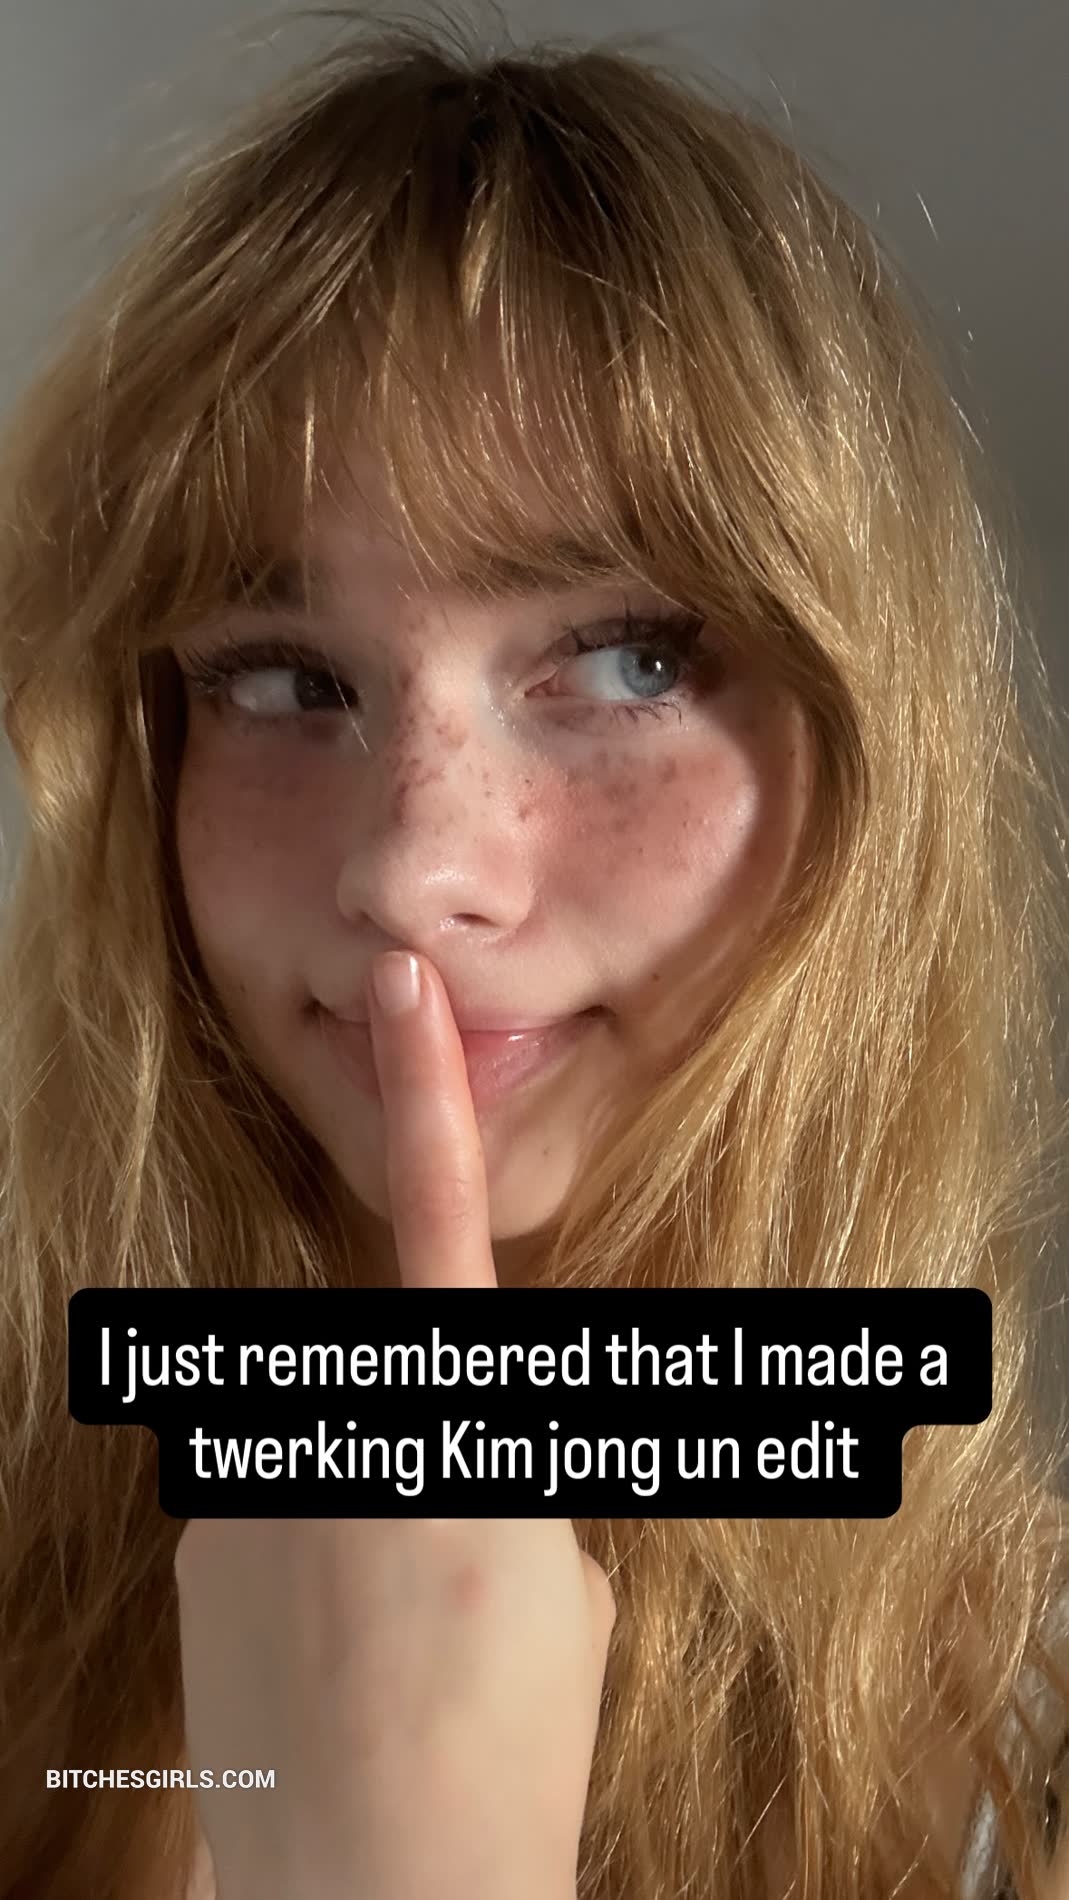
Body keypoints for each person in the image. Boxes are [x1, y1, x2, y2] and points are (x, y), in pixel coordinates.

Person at [0, 6, 1066, 1897]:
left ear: (865, 749)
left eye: (630, 661)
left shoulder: (1027, 1736)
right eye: (282, 678)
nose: (413, 871)